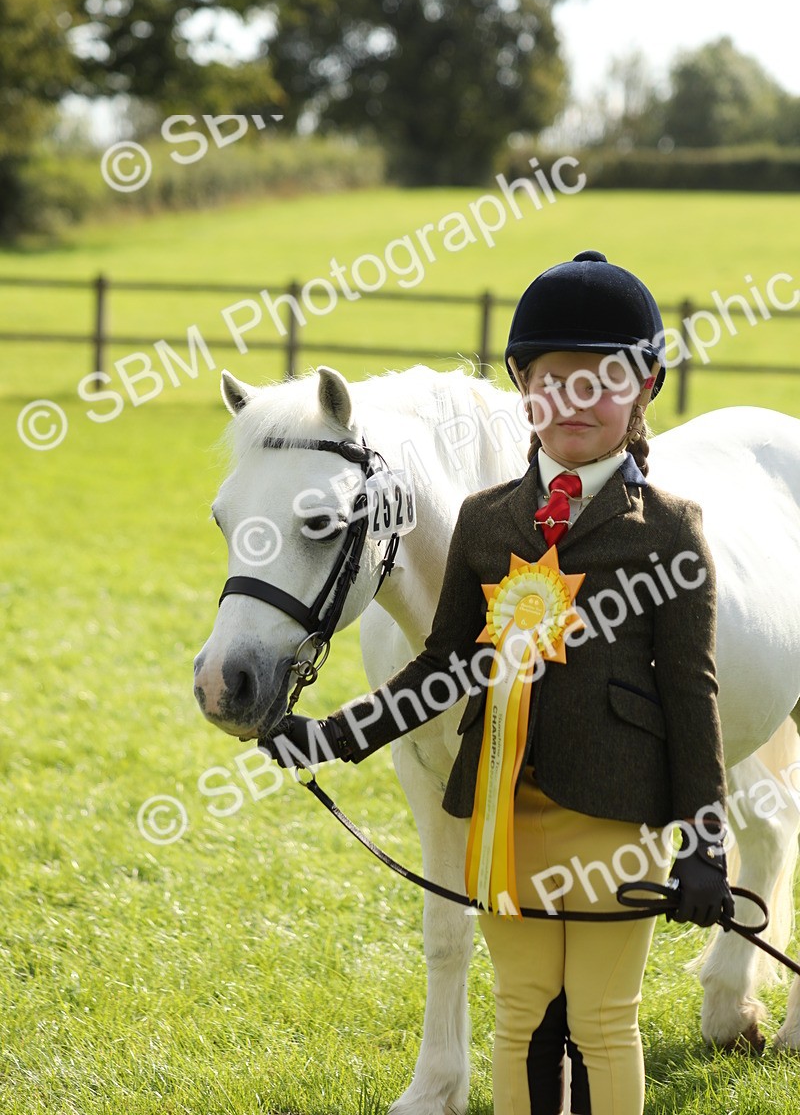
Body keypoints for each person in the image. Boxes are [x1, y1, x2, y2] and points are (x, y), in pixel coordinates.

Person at [265, 250, 735, 1115]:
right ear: (524, 389)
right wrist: (331, 737)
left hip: (612, 817)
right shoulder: (486, 521)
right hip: (500, 815)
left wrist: (705, 842)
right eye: (555, 381)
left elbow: (690, 695)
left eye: (605, 381)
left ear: (644, 391)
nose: (578, 401)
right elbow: (445, 665)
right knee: (518, 1017)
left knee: (602, 1020)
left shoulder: (670, 532)